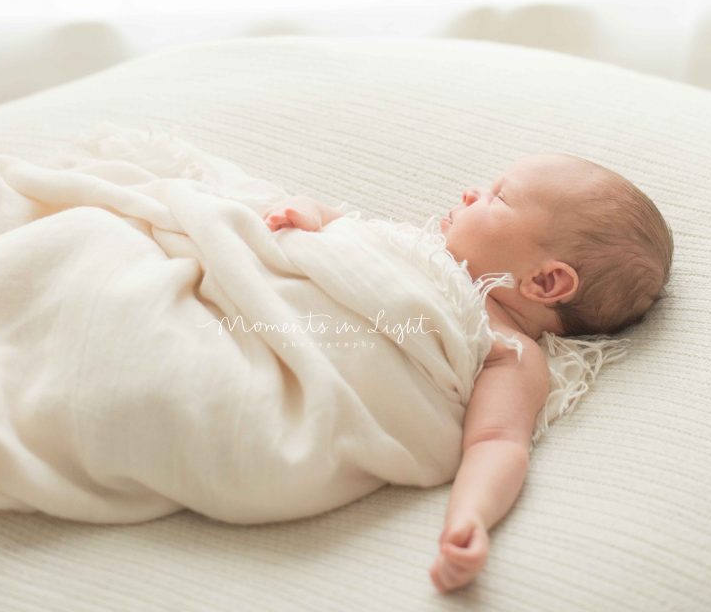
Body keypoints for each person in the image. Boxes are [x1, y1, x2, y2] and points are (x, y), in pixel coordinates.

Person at [263, 152, 674, 595]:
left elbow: (497, 443)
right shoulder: (415, 246)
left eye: (498, 197)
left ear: (545, 283)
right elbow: (350, 230)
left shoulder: (510, 350)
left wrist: (472, 516)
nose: (471, 193)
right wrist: (310, 213)